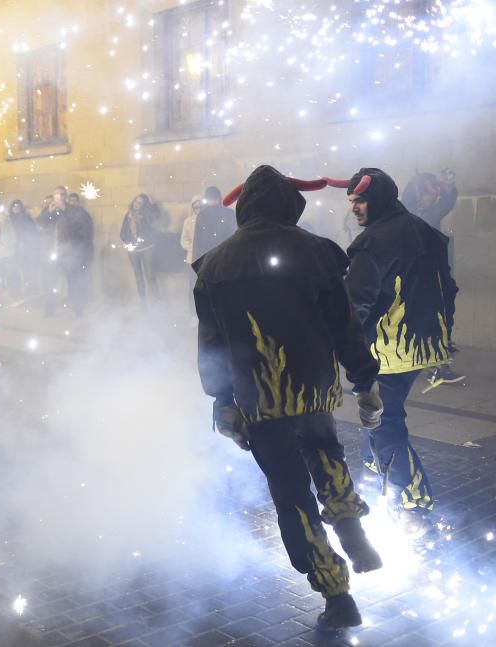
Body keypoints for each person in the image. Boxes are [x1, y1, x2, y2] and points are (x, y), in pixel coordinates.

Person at [194, 166, 384, 630]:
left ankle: (338, 595)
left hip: (260, 399)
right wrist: (365, 383)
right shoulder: (317, 252)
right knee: (325, 452)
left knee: (291, 493)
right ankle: (350, 525)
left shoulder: (214, 266)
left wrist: (222, 402)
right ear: (287, 205)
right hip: (313, 387)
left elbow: (212, 344)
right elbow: (344, 326)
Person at [328, 167, 456, 531]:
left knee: (383, 421)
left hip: (389, 347)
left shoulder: (375, 242)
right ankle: (380, 472)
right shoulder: (423, 230)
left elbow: (357, 303)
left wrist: (344, 347)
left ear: (379, 198)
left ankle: (413, 499)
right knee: (380, 417)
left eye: (361, 199)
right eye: (352, 200)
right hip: (422, 342)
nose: (355, 207)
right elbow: (447, 286)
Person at [400, 170, 464, 387]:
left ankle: (437, 366)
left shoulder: (421, 214)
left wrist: (432, 182)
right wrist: (429, 182)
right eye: (424, 194)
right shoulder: (414, 215)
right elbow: (446, 199)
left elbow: (447, 197)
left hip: (427, 279)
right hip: (420, 280)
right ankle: (436, 366)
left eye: (428, 195)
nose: (427, 198)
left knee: (433, 322)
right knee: (430, 322)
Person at [51, 186, 94, 316]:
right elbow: (41, 225)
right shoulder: (53, 211)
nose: (60, 198)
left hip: (75, 252)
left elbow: (79, 230)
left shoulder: (76, 211)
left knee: (76, 280)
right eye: (57, 196)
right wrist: (48, 212)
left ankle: (78, 306)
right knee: (68, 280)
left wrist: (81, 251)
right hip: (60, 252)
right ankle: (72, 303)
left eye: (62, 195)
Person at [120, 193, 164, 307]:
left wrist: (152, 203)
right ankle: (143, 304)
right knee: (139, 278)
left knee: (150, 276)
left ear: (144, 205)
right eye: (135, 201)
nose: (136, 204)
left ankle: (156, 303)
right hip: (134, 251)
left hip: (147, 249)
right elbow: (123, 233)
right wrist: (129, 241)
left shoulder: (147, 215)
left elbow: (156, 215)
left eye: (140, 203)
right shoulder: (128, 215)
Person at [192, 186, 236, 261]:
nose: (212, 201)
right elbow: (197, 238)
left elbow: (234, 233)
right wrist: (196, 259)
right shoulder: (202, 215)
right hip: (206, 254)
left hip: (224, 253)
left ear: (219, 198)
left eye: (214, 198)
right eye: (210, 199)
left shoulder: (228, 213)